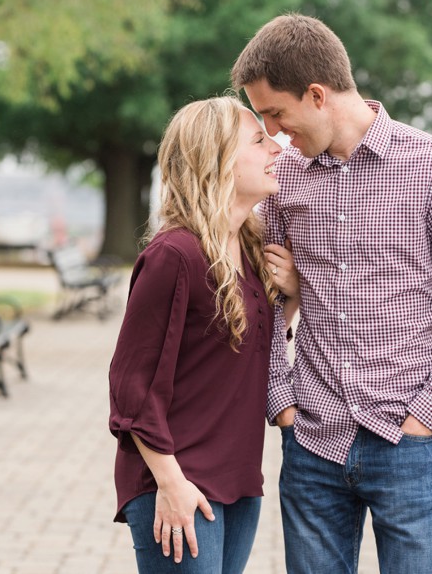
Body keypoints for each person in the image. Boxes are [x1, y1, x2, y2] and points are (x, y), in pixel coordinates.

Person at [230, 13, 432, 574]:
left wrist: (430, 415)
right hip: (313, 441)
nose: (274, 133)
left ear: (317, 94)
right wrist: (280, 402)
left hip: (408, 442)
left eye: (276, 113)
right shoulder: (288, 180)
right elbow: (271, 301)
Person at [108, 96, 299, 573]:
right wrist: (171, 484)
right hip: (177, 482)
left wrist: (291, 297)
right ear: (216, 161)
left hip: (238, 482)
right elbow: (131, 388)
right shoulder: (175, 255)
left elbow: (255, 354)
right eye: (258, 139)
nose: (275, 147)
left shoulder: (252, 249)